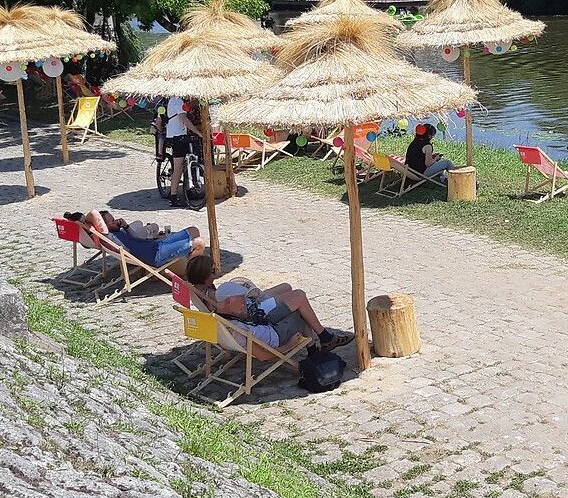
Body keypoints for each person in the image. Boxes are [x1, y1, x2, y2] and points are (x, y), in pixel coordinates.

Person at [184, 255, 353, 353]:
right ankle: (324, 337)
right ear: (205, 276)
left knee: (287, 287)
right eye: (213, 270)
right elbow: (238, 312)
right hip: (256, 314)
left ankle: (316, 337)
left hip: (251, 307)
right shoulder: (213, 297)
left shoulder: (200, 292)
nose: (217, 271)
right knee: (298, 297)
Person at [65, 210, 204, 266]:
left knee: (194, 230)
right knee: (199, 243)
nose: (115, 221)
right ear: (103, 226)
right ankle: (194, 276)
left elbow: (136, 237)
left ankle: (192, 262)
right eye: (111, 221)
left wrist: (125, 226)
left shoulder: (118, 231)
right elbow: (93, 214)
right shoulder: (108, 235)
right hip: (155, 255)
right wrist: (87, 221)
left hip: (156, 245)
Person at [165, 96, 203, 207]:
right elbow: (184, 119)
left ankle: (189, 183)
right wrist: (198, 132)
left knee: (186, 161)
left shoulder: (180, 101)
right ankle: (173, 197)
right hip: (176, 136)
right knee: (178, 167)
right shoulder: (177, 101)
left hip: (182, 135)